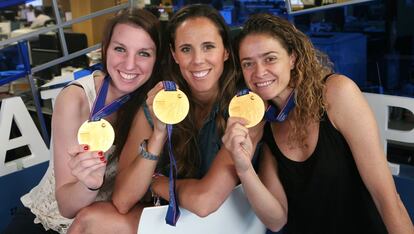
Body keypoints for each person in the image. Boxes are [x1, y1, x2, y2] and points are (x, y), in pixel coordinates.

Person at [222, 13, 414, 233]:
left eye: (270, 58)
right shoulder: (266, 123)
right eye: (248, 63)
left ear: (292, 58)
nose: (259, 72)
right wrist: (244, 167)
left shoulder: (336, 93)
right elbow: (276, 220)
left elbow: (388, 201)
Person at [3, 8, 162, 234]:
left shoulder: (154, 105)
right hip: (52, 222)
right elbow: (66, 206)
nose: (129, 64)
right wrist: (89, 183)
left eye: (144, 53)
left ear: (157, 59)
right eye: (120, 49)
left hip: (104, 223)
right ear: (105, 50)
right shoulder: (76, 99)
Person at [111, 5, 262, 229]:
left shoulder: (248, 106)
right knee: (91, 218)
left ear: (226, 52)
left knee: (94, 220)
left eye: (208, 47)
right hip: (178, 219)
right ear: (174, 55)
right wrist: (159, 134)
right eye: (186, 49)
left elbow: (204, 202)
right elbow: (122, 200)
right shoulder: (157, 102)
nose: (198, 60)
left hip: (231, 223)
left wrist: (154, 182)